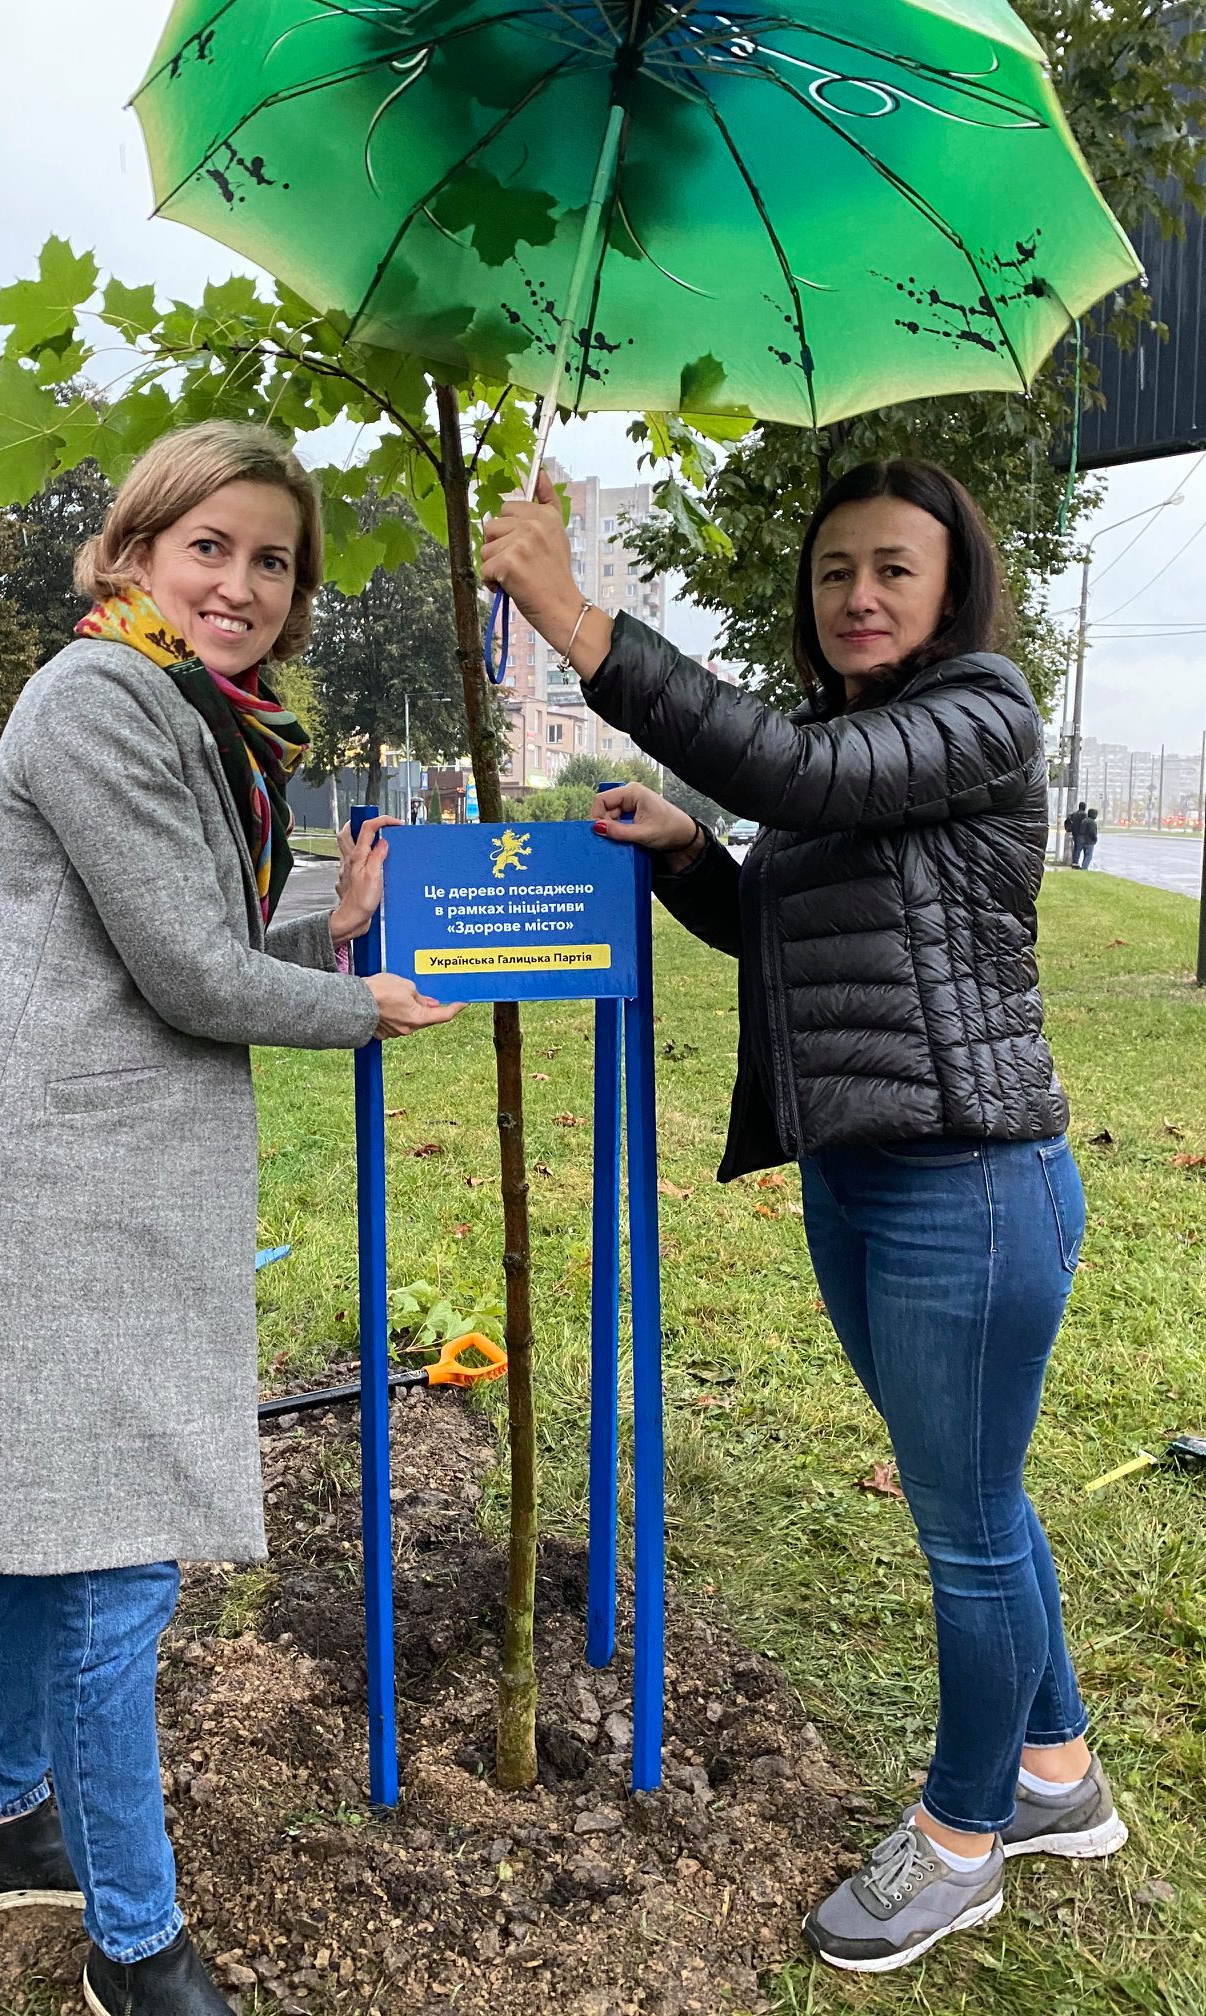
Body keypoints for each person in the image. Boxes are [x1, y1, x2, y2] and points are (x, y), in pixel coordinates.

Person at [0, 422, 461, 2016]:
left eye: (273, 560)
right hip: (54, 1189)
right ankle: (135, 1944)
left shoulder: (193, 712)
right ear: (132, 551)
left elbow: (182, 947)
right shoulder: (103, 698)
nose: (242, 583)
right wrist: (363, 1002)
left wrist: (332, 932)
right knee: (111, 1563)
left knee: (29, 1526)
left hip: (76, 1178)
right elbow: (186, 976)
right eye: (209, 546)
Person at [482, 458, 1125, 1976]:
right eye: (836, 571)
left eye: (894, 567)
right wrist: (691, 858)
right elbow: (782, 925)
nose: (859, 595)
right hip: (862, 1175)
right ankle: (1057, 1771)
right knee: (976, 1496)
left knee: (966, 1523)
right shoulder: (850, 746)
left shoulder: (980, 712)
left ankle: (963, 1838)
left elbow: (791, 775)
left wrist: (575, 617)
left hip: (969, 1184)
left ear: (952, 587)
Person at [1063, 801, 1086, 866]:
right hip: (1081, 834)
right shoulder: (1084, 815)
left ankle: (1074, 861)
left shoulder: (1074, 814)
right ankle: (1075, 862)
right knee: (1079, 849)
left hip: (1074, 833)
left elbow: (1068, 820)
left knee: (1076, 848)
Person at [1077, 805, 1100, 870]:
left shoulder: (1084, 820)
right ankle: (1084, 868)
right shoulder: (1092, 822)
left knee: (1083, 854)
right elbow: (1092, 832)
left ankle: (1082, 866)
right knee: (1088, 856)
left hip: (1082, 840)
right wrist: (1095, 839)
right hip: (1089, 841)